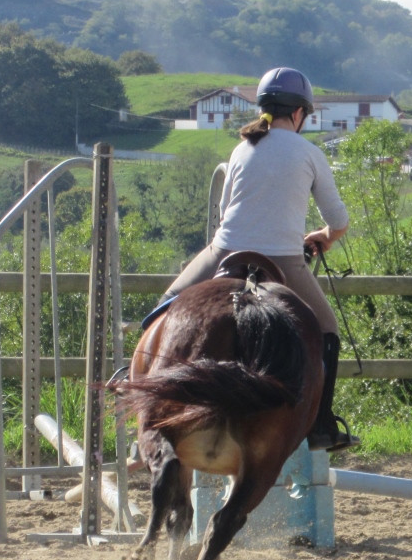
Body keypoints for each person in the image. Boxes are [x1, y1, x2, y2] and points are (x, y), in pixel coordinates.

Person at [153, 67, 357, 451]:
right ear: (298, 113)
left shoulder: (242, 148)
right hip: (284, 259)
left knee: (165, 306)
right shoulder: (310, 153)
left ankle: (142, 394)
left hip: (225, 251)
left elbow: (225, 210)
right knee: (328, 330)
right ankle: (321, 425)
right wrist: (325, 238)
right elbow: (338, 221)